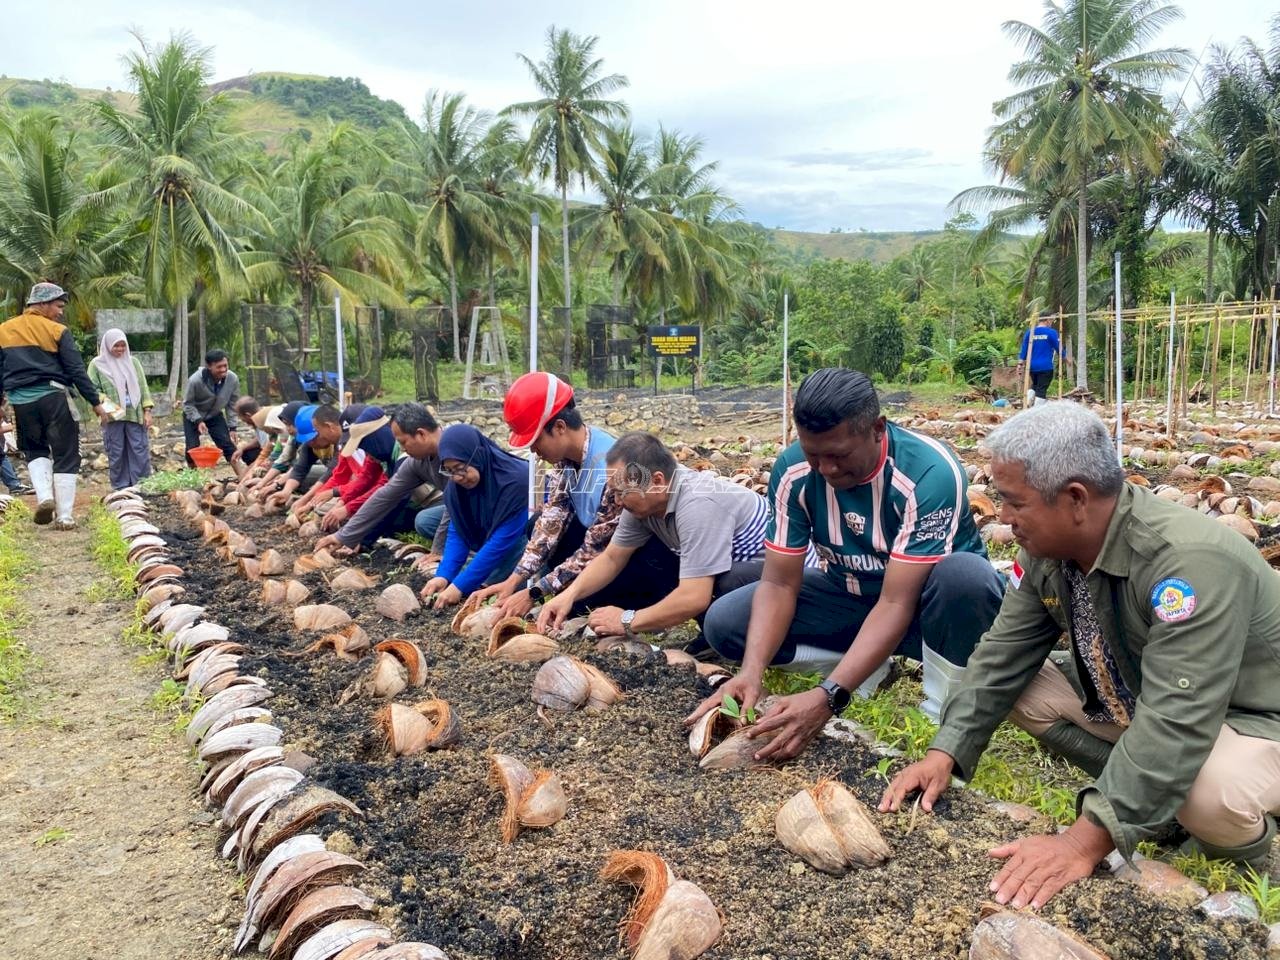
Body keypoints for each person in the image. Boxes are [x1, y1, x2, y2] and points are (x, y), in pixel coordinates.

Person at [881, 401, 1280, 909]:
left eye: (1014, 502)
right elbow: (1002, 653)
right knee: (1022, 688)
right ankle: (1149, 803)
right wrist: (946, 751)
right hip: (1144, 692)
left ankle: (1237, 840)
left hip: (1253, 716)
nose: (1002, 517)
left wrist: (1080, 842)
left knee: (1209, 793)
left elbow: (1180, 717)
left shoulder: (1188, 564)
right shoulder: (1051, 551)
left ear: (1075, 499)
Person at [687, 368, 1004, 762]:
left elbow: (896, 603)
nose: (826, 469)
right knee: (727, 622)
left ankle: (941, 705)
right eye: (812, 454)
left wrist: (829, 696)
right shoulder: (793, 472)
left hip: (931, 614)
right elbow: (780, 583)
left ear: (876, 429)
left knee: (965, 576)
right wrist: (751, 672)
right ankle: (863, 668)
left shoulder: (927, 473)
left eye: (838, 455)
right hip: (854, 595)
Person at [471, 372, 681, 619]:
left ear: (559, 427)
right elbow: (551, 522)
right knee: (536, 525)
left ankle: (626, 603)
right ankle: (577, 593)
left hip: (637, 560)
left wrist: (534, 593)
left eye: (536, 441)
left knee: (583, 599)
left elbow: (596, 549)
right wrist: (515, 579)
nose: (534, 452)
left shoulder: (609, 469)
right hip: (601, 548)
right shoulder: (566, 462)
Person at [537, 431, 770, 639]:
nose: (617, 501)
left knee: (720, 581)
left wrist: (627, 620)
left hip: (783, 581)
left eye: (621, 493)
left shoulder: (698, 504)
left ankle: (749, 644)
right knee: (670, 561)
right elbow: (612, 558)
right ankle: (714, 636)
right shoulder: (642, 504)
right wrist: (568, 595)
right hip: (741, 573)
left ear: (657, 481)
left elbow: (695, 596)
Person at [0, 282, 107, 528]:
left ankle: (45, 497)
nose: (60, 312)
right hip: (53, 397)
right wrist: (95, 402)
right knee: (66, 454)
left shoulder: (4, 330)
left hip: (20, 402)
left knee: (34, 450)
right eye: (58, 306)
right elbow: (76, 371)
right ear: (43, 304)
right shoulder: (58, 331)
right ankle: (65, 516)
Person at [419, 424, 530, 610]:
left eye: (460, 468)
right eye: (449, 470)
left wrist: (459, 586)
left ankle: (493, 578)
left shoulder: (516, 481)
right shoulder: (457, 487)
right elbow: (458, 531)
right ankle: (482, 572)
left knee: (518, 547)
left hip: (524, 542)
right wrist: (443, 575)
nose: (456, 477)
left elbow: (500, 542)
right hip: (495, 537)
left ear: (477, 456)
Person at [316, 402, 447, 555]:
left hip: (438, 503)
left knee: (420, 520)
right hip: (439, 506)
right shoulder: (394, 456)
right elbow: (382, 492)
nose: (364, 451)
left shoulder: (410, 455)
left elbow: (394, 499)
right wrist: (345, 532)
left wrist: (362, 537)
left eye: (364, 445)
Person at [87, 328, 154, 490]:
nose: (120, 349)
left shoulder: (133, 362)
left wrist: (147, 411)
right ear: (108, 345)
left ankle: (141, 486)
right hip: (111, 416)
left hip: (134, 414)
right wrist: (106, 403)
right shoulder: (97, 365)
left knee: (139, 450)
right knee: (116, 452)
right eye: (116, 346)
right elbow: (91, 389)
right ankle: (121, 487)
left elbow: (143, 387)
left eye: (123, 346)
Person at [266, 404, 341, 515]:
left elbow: (331, 474)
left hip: (348, 484)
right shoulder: (311, 444)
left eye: (312, 438)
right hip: (340, 483)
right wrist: (286, 491)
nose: (310, 443)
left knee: (321, 506)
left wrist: (306, 500)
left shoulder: (339, 442)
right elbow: (299, 469)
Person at [182, 349, 240, 466]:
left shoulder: (232, 379)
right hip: (193, 415)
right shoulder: (195, 380)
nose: (223, 370)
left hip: (215, 414)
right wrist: (198, 421)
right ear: (209, 366)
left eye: (225, 366)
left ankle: (242, 477)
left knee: (227, 445)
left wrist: (233, 427)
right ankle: (193, 478)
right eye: (219, 367)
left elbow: (232, 404)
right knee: (192, 447)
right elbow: (188, 404)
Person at [1016, 315, 1070, 404]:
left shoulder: (1030, 332)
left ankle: (1028, 400)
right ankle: (1037, 409)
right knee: (1042, 389)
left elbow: (1024, 350)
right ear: (1047, 320)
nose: (1052, 323)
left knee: (1036, 385)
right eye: (1052, 321)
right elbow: (1058, 348)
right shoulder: (1051, 332)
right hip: (1045, 367)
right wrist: (1065, 358)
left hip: (1032, 367)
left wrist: (1020, 364)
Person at [228, 396, 266, 478]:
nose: (244, 422)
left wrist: (247, 472)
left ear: (248, 415)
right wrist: (242, 449)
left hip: (276, 458)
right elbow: (259, 440)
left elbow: (267, 455)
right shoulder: (258, 418)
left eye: (243, 419)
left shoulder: (264, 424)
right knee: (247, 452)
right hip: (268, 453)